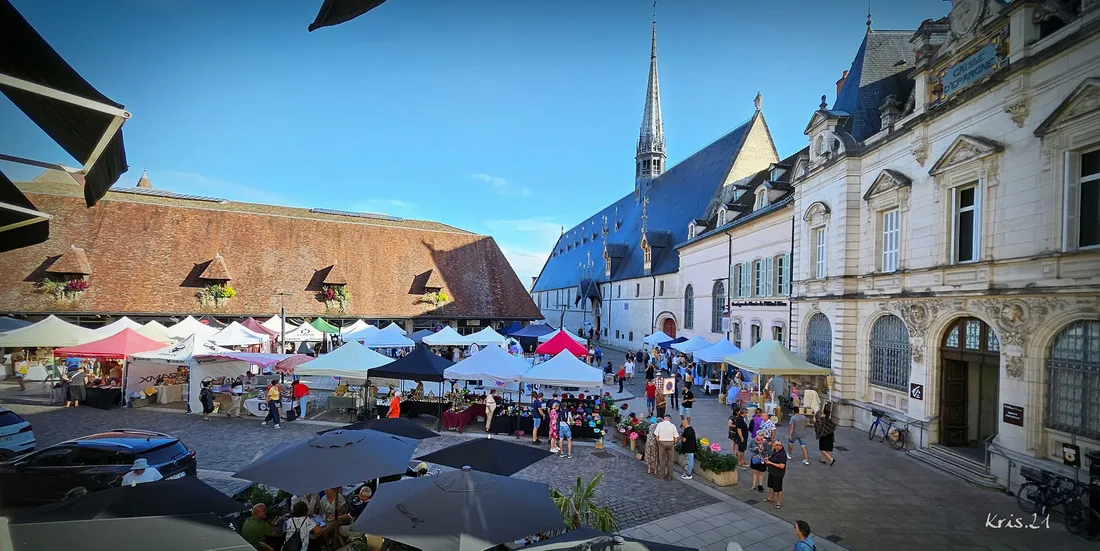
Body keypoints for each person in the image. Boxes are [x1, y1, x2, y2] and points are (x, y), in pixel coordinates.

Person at [764, 439, 788, 509]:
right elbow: (772, 456)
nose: (774, 447)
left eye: (775, 446)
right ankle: (771, 498)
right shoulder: (775, 450)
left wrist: (770, 463)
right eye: (774, 446)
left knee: (778, 488)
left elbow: (782, 466)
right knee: (771, 486)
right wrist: (768, 458)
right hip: (772, 471)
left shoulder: (782, 454)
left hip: (778, 474)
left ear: (779, 445)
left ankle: (779, 502)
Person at [653, 415, 678, 480]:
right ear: (669, 419)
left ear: (664, 418)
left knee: (662, 460)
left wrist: (658, 443)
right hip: (670, 443)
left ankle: (661, 475)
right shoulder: (673, 426)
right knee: (670, 460)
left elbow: (656, 435)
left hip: (662, 443)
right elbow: (676, 437)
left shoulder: (660, 425)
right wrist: (674, 443)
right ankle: (670, 476)